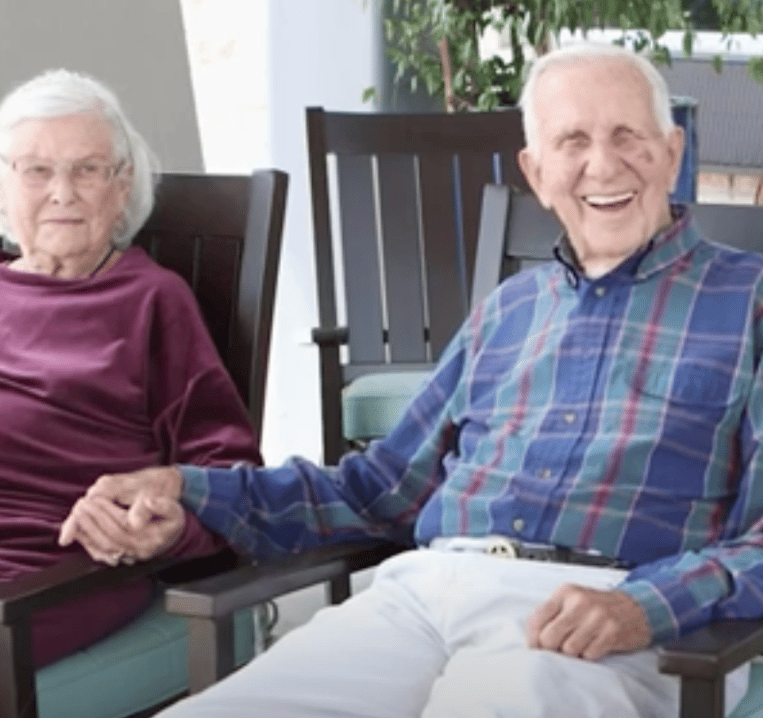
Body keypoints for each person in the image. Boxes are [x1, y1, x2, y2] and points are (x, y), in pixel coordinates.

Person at [71, 43, 763, 717]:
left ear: (672, 153)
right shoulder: (508, 311)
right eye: (573, 141)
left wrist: (648, 605)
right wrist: (186, 489)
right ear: (536, 170)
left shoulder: (750, 302)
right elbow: (375, 489)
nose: (603, 164)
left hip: (608, 622)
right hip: (424, 595)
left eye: (627, 136)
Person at [0, 69, 261, 718]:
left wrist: (169, 529)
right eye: (37, 171)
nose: (63, 193)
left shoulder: (152, 302)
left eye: (88, 170)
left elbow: (227, 468)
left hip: (9, 559)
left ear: (122, 185)